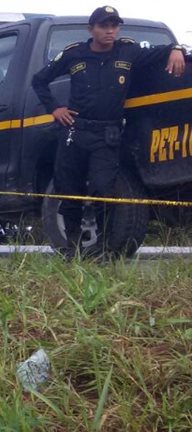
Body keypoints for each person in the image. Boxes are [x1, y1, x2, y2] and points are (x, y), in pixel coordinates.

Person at [31, 5, 187, 254]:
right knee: (69, 190)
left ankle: (103, 247)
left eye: (114, 26)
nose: (110, 31)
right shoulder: (74, 53)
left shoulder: (128, 51)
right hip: (75, 131)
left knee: (103, 190)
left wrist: (176, 49)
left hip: (106, 135)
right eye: (104, 26)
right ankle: (71, 249)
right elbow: (39, 80)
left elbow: (160, 52)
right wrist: (55, 108)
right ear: (91, 29)